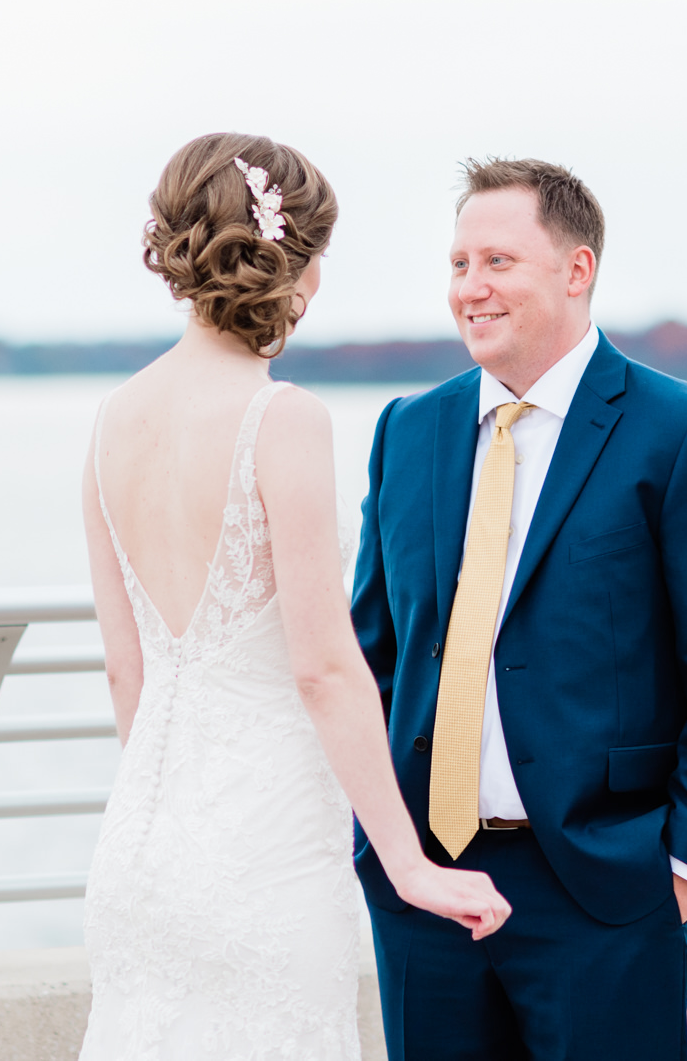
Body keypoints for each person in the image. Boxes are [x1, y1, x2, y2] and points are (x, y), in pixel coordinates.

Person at [78, 133, 511, 1061]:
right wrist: (409, 862)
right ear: (292, 261)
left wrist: (176, 813)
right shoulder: (284, 418)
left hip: (142, 845)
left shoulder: (110, 422)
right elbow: (323, 667)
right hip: (263, 847)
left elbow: (129, 669)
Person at [352, 158, 687, 1060]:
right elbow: (375, 653)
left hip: (608, 893)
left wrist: (681, 871)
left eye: (498, 262)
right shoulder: (409, 428)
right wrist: (382, 849)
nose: (471, 287)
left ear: (576, 270)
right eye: (460, 263)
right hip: (429, 895)